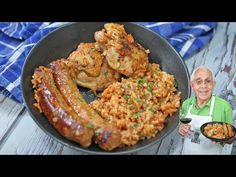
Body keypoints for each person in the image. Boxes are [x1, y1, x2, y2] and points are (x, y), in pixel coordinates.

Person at [178, 66, 234, 154]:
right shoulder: (186, 104)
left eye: (208, 81)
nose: (203, 86)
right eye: (198, 82)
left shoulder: (224, 106)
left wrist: (223, 138)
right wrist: (181, 130)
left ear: (214, 84)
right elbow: (182, 128)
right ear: (192, 85)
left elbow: (231, 139)